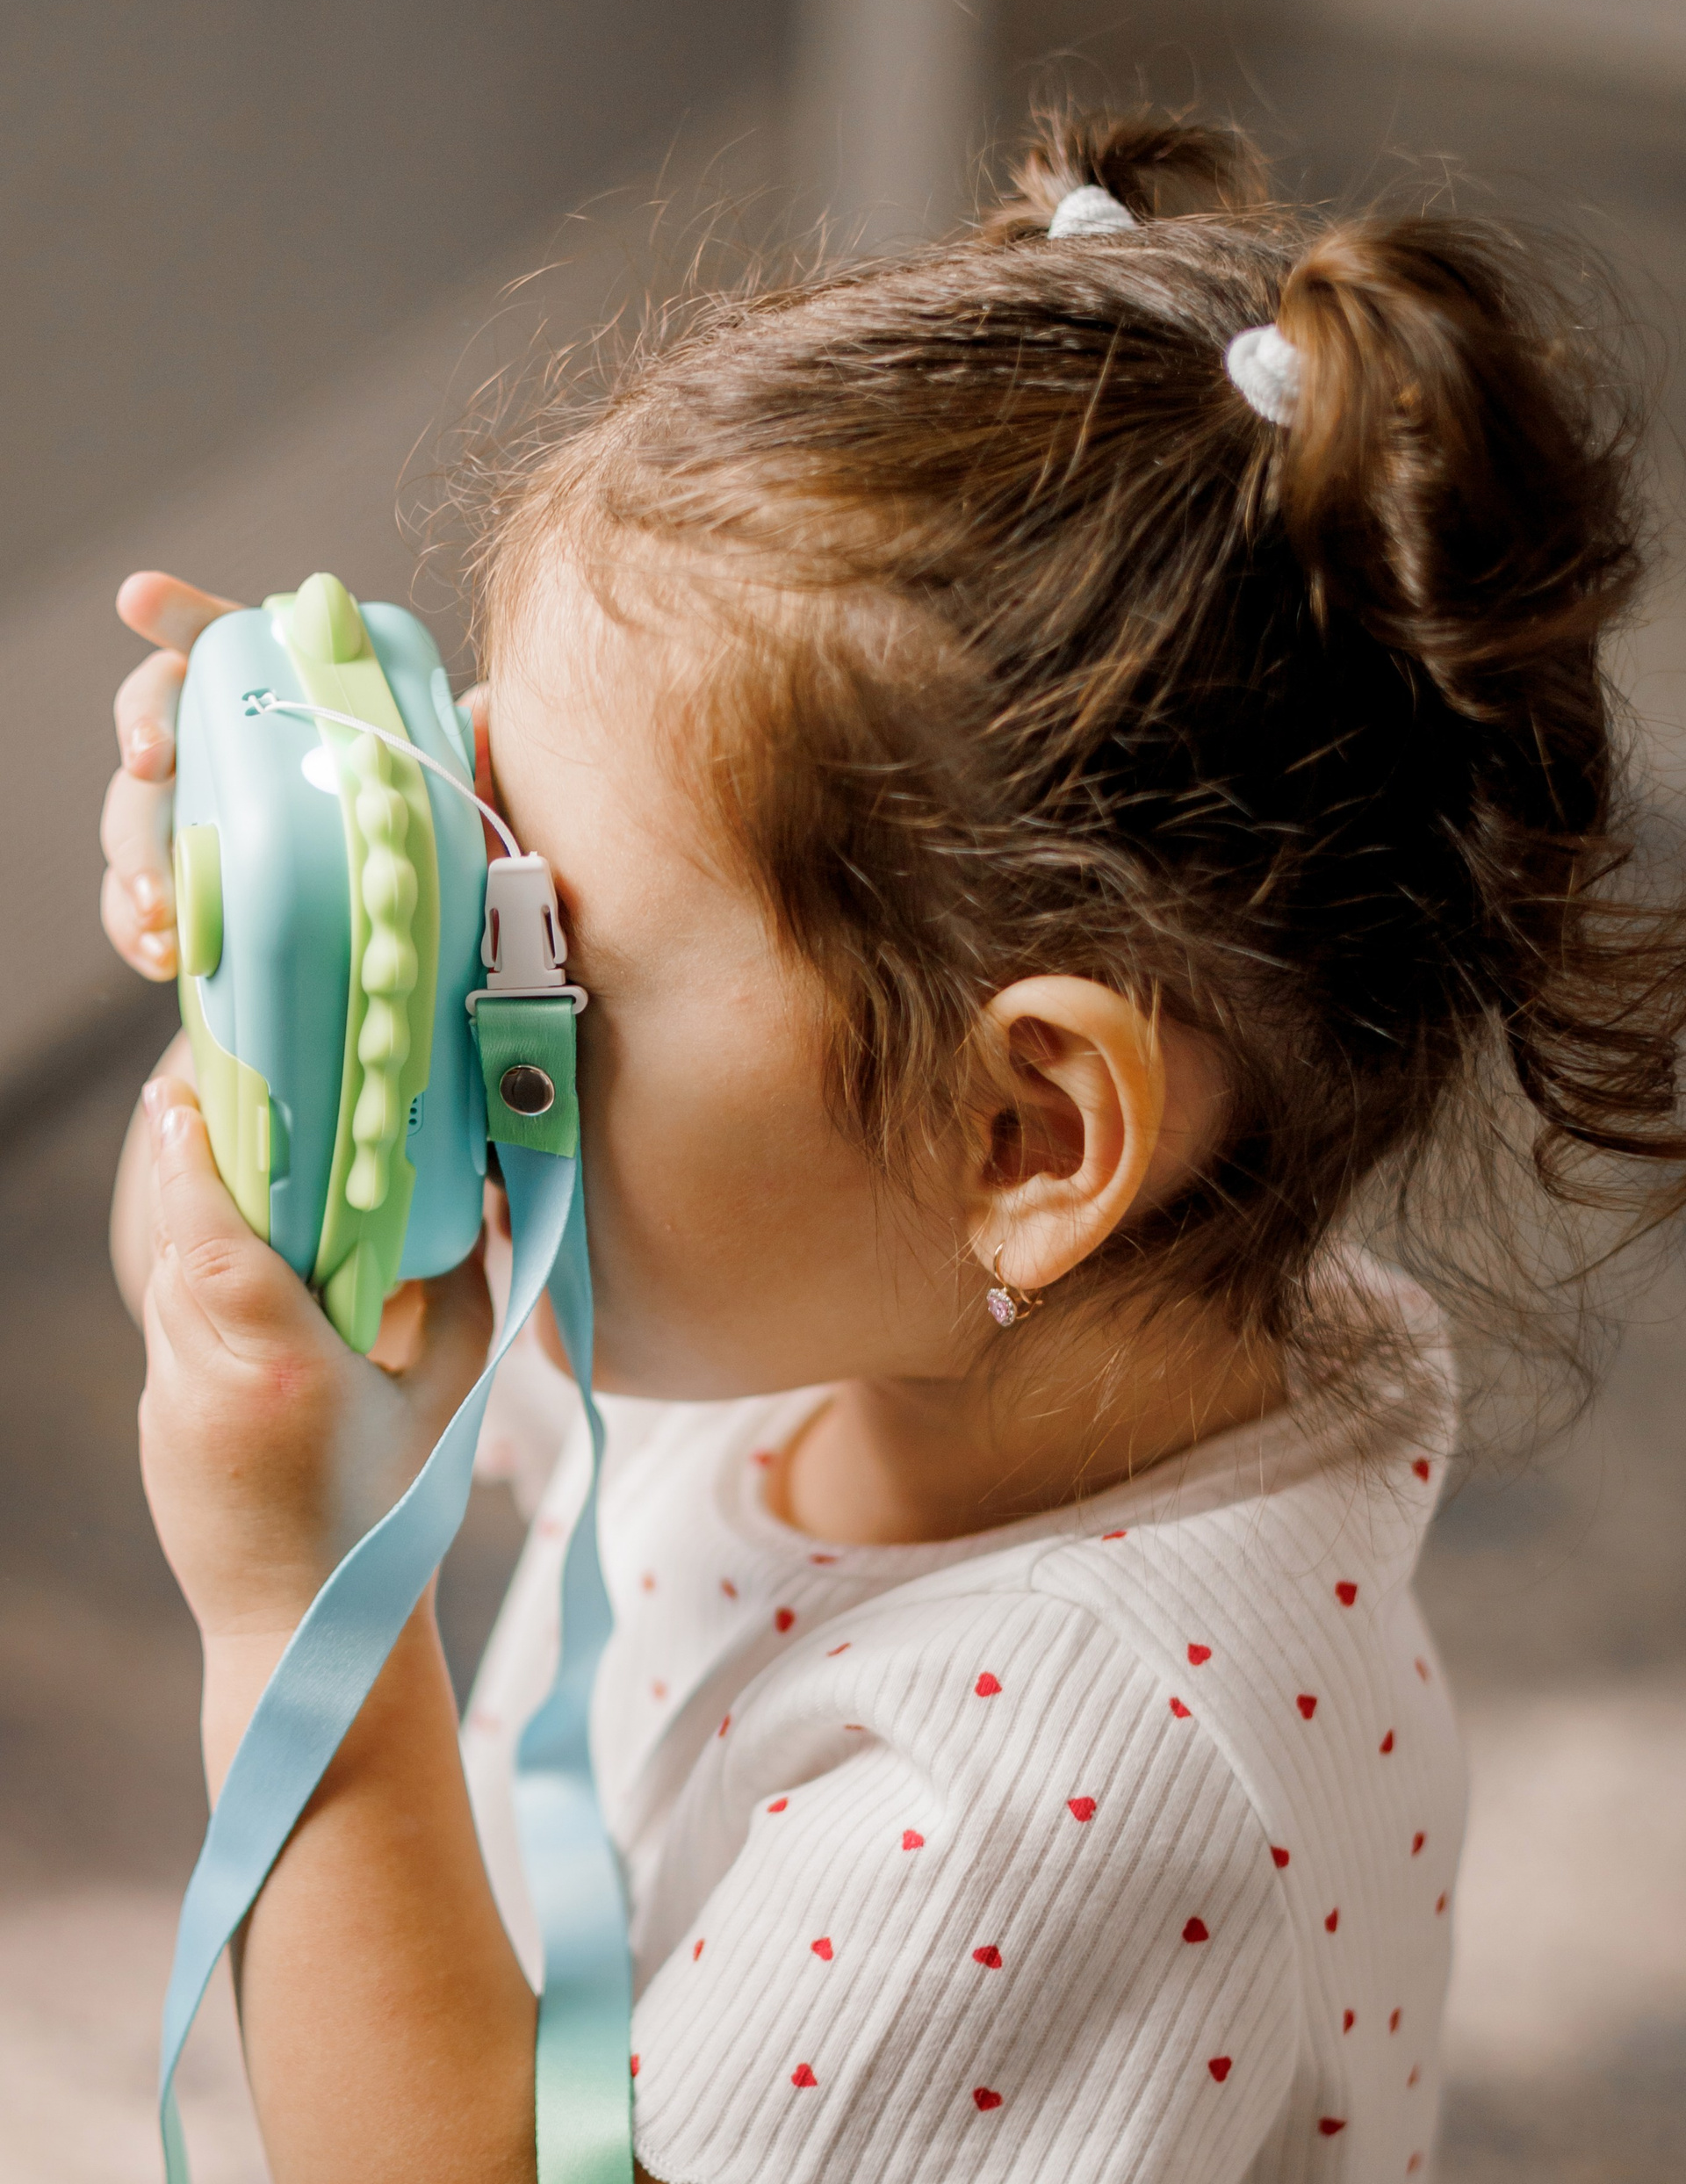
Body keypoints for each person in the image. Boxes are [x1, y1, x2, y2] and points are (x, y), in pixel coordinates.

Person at [100, 112, 1686, 2183]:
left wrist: (299, 1627)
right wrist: (295, 962)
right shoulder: (893, 1291)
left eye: (533, 939)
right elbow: (370, 1326)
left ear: (1020, 1133)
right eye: (457, 799)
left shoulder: (1038, 1808)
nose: (460, 983)